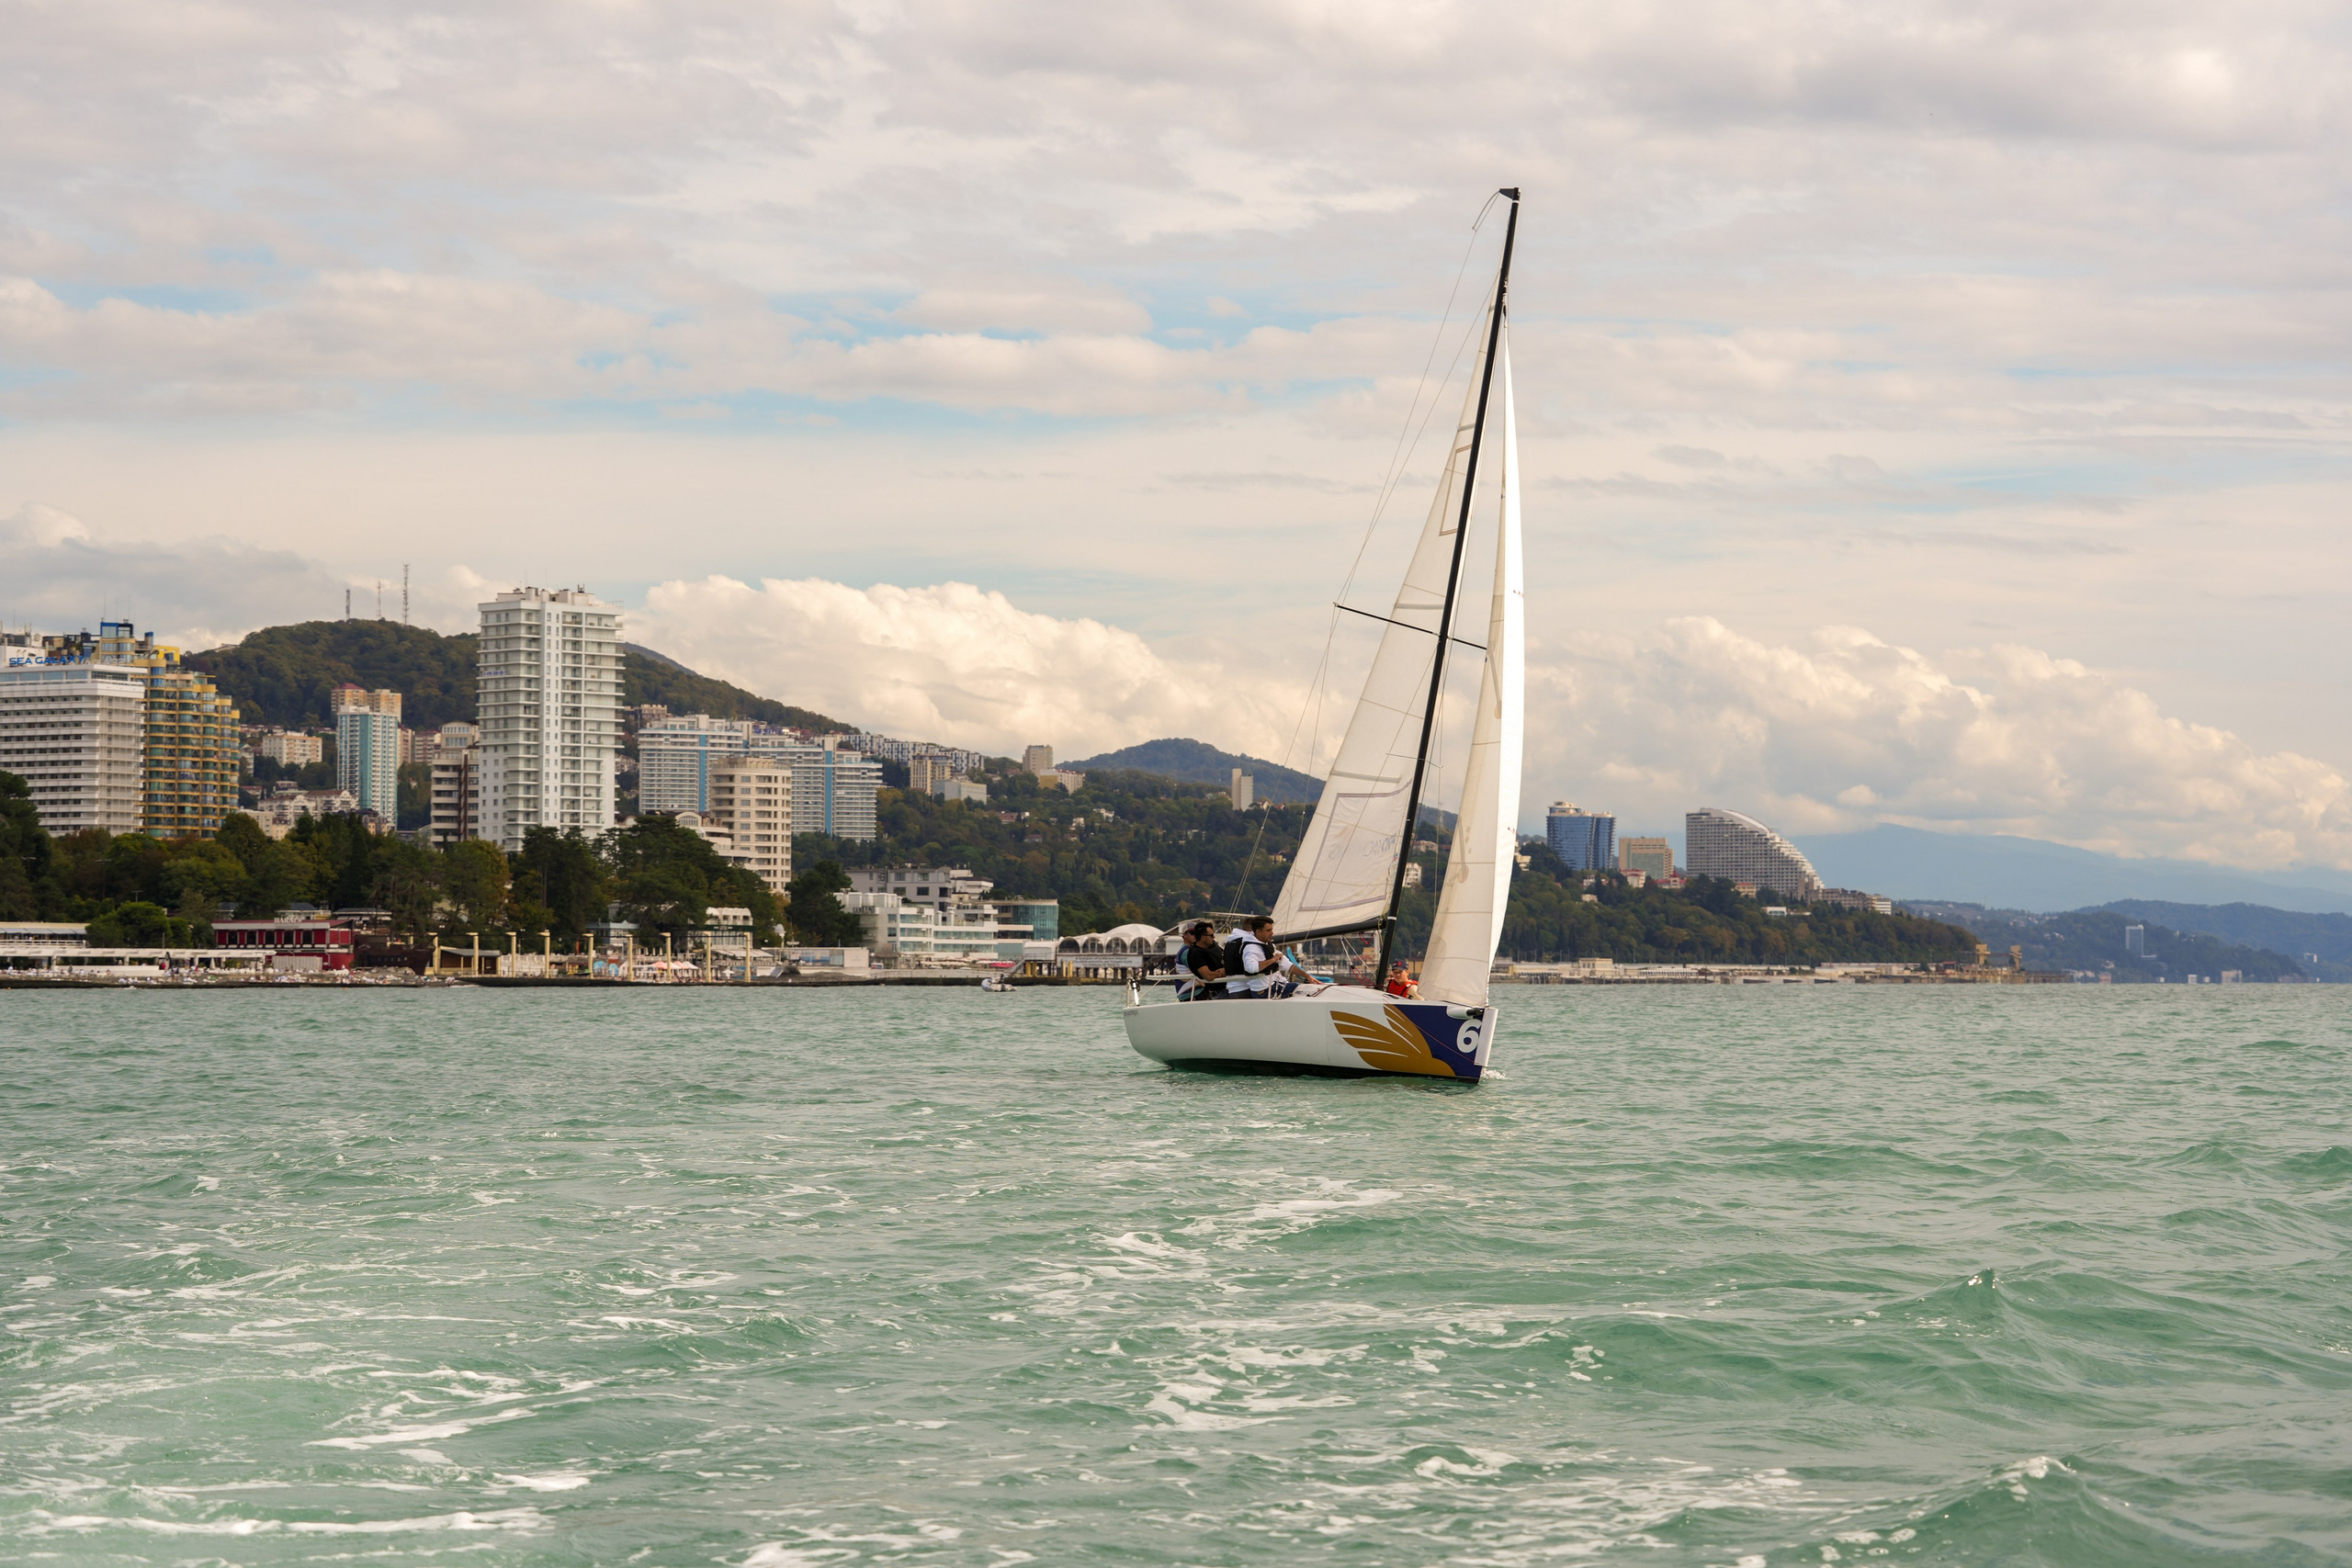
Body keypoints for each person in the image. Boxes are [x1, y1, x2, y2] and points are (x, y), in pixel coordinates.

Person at [1224, 916, 1290, 998]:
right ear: (1256, 931)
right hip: (1249, 988)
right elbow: (1252, 967)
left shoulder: (1231, 942)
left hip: (1233, 988)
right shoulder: (1251, 944)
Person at [1178, 921, 1227, 998]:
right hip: (1192, 992)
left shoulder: (1211, 946)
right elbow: (1206, 975)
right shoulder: (1188, 952)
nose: (1195, 935)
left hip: (1204, 990)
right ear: (1184, 935)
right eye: (1192, 932)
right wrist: (1223, 972)